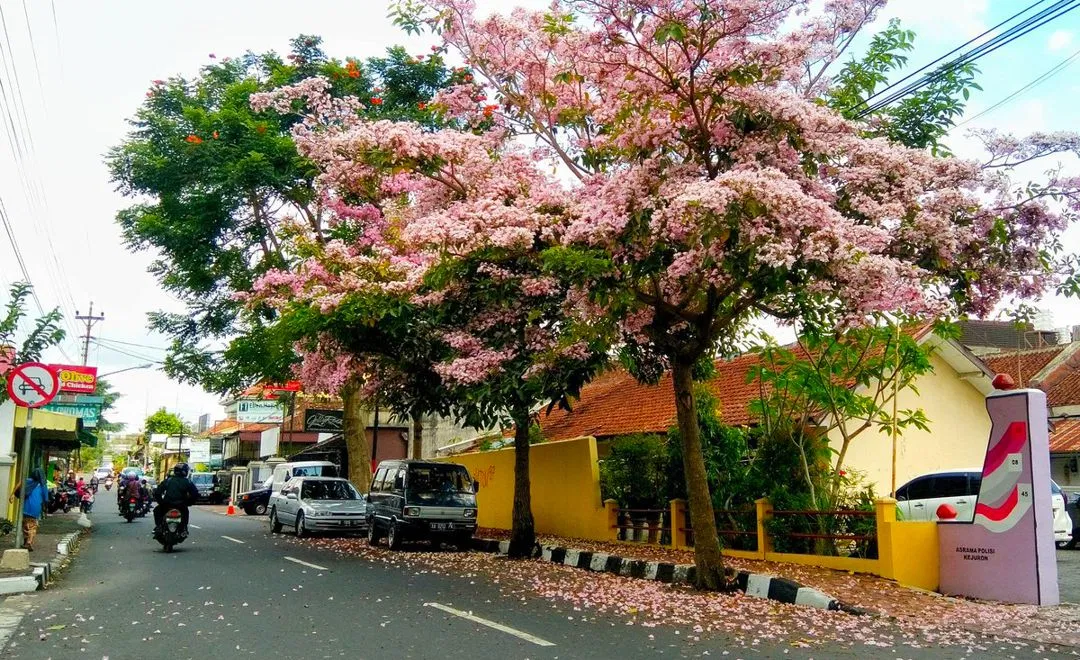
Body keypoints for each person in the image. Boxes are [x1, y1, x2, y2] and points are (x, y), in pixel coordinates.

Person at [8, 468, 49, 551]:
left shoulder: (27, 481)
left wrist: (12, 494)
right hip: (35, 509)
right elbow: (46, 498)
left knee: (26, 525)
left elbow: (19, 483)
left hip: (25, 507)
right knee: (33, 526)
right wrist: (45, 506)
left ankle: (26, 542)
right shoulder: (42, 486)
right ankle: (29, 542)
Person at [153, 463, 199, 533]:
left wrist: (161, 502)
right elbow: (195, 494)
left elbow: (157, 492)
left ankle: (158, 526)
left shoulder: (168, 480)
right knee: (185, 513)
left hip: (167, 504)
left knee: (157, 511)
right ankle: (184, 529)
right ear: (185, 471)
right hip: (181, 505)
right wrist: (189, 502)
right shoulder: (187, 482)